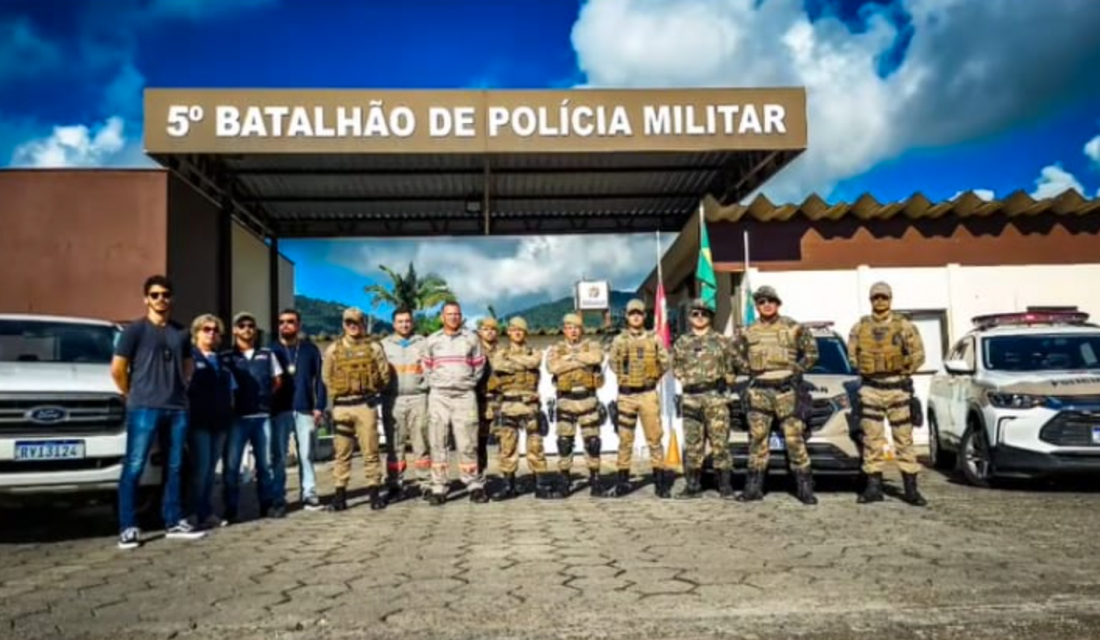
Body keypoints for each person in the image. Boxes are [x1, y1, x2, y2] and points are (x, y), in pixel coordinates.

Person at [110, 274, 205, 550]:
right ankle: (128, 527)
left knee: (175, 467)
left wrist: (182, 387)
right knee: (135, 465)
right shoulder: (134, 331)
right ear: (146, 299)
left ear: (171, 298)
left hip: (176, 409)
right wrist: (132, 394)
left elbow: (189, 365)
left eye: (165, 294)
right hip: (144, 408)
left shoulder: (181, 332)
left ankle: (173, 520)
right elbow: (117, 369)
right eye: (155, 295)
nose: (160, 299)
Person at [731, 286, 820, 505]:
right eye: (761, 302)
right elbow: (733, 352)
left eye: (771, 301)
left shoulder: (793, 327)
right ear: (757, 306)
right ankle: (753, 489)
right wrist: (747, 368)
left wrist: (796, 370)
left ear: (778, 304)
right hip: (759, 390)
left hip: (786, 391)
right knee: (758, 440)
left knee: (794, 439)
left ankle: (805, 489)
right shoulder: (747, 331)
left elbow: (812, 353)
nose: (767, 305)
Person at [846, 281, 928, 506]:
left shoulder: (904, 326)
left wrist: (904, 369)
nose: (880, 301)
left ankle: (911, 490)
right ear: (870, 300)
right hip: (871, 389)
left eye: (884, 297)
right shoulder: (860, 327)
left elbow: (919, 354)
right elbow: (851, 354)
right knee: (872, 440)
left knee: (904, 440)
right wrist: (865, 367)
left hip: (898, 390)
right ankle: (873, 488)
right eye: (876, 298)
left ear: (890, 299)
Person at [322, 307, 392, 511]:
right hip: (342, 407)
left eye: (357, 322)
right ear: (344, 324)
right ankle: (339, 495)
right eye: (348, 322)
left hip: (365, 406)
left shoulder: (374, 348)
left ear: (363, 323)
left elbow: (384, 374)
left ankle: (374, 494)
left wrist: (372, 390)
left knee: (371, 451)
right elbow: (326, 376)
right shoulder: (333, 349)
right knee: (342, 453)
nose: (353, 326)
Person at [420, 301, 489, 505]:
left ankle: (473, 484)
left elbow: (479, 367)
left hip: (464, 396)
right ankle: (439, 487)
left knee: (468, 441)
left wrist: (466, 383)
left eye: (457, 314)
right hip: (439, 396)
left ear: (461, 316)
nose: (453, 317)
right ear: (442, 317)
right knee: (438, 440)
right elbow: (426, 367)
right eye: (449, 314)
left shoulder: (472, 339)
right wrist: (438, 383)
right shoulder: (432, 340)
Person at [605, 299, 672, 499]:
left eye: (639, 313)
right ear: (626, 316)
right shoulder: (619, 340)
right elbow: (613, 364)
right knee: (625, 440)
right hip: (626, 395)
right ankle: (622, 480)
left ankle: (660, 482)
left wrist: (651, 376)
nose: (635, 317)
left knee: (654, 438)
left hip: (648, 394)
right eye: (632, 313)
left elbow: (665, 362)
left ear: (644, 316)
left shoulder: (655, 339)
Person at [490, 317, 562, 499]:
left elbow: (534, 363)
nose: (517, 332)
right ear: (508, 332)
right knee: (507, 446)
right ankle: (509, 486)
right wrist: (520, 362)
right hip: (508, 404)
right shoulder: (500, 353)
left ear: (525, 333)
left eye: (520, 329)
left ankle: (541, 485)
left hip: (530, 405)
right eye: (513, 329)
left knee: (536, 446)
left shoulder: (534, 352)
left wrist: (512, 363)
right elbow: (497, 365)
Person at [671, 298, 736, 499]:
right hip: (691, 397)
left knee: (720, 444)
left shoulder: (722, 341)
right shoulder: (682, 342)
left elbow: (732, 367)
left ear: (710, 317)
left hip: (715, 397)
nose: (699, 317)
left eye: (704, 314)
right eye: (695, 314)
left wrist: (726, 381)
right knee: (692, 444)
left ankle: (724, 486)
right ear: (690, 317)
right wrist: (683, 376)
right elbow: (675, 366)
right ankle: (693, 485)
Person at [224, 311, 281, 522]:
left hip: (262, 417)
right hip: (237, 418)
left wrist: (264, 399)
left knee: (265, 465)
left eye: (250, 325)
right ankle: (230, 510)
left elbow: (277, 381)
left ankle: (267, 506)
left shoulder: (267, 354)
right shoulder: (227, 357)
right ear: (235, 330)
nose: (247, 329)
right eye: (242, 325)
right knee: (232, 466)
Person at [269, 308, 327, 512]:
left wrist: (319, 406)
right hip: (279, 410)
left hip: (305, 409)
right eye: (282, 322)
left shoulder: (310, 350)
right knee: (279, 457)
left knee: (306, 455)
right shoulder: (271, 350)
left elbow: (321, 379)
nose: (285, 325)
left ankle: (309, 495)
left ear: (298, 325)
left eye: (290, 321)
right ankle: (277, 497)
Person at [545, 312, 607, 497]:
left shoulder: (592, 345)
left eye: (576, 328)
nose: (573, 331)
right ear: (564, 330)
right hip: (566, 401)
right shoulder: (556, 348)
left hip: (587, 400)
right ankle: (565, 482)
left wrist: (569, 359)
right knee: (564, 443)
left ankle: (595, 481)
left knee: (592, 443)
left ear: (581, 330)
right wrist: (579, 360)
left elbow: (597, 358)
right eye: (569, 327)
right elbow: (552, 367)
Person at [185, 313, 235, 530]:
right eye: (207, 329)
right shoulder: (190, 358)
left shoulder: (223, 361)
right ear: (196, 333)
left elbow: (232, 391)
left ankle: (206, 512)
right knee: (201, 469)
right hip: (199, 422)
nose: (212, 333)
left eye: (215, 330)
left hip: (220, 423)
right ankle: (192, 512)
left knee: (211, 471)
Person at [380, 308, 430, 499]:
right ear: (394, 324)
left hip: (419, 398)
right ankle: (394, 485)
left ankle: (425, 483)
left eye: (407, 321)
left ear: (412, 322)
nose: (404, 324)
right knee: (394, 444)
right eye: (400, 321)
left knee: (421, 442)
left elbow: (431, 367)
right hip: (392, 399)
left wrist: (426, 386)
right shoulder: (384, 345)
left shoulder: (424, 343)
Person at [475, 317, 502, 476]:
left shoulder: (503, 352)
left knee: (504, 439)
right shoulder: (475, 351)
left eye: (492, 329)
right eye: (486, 329)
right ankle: (480, 474)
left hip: (500, 400)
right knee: (480, 440)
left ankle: (505, 475)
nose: (489, 332)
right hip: (480, 401)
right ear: (480, 332)